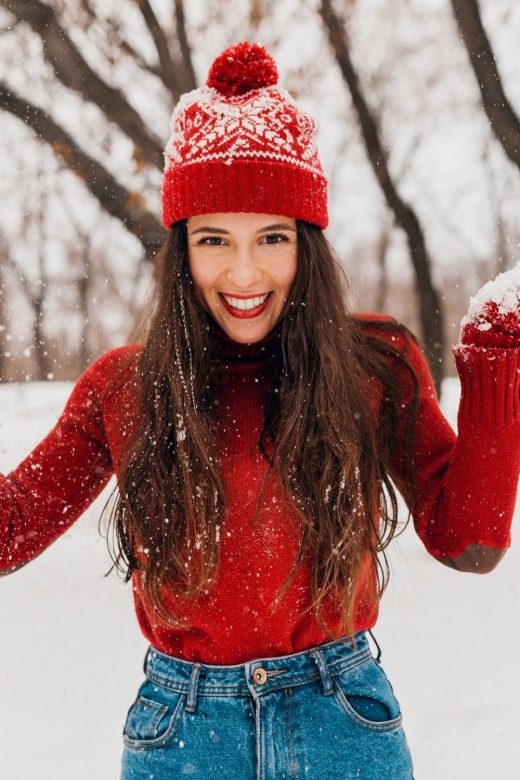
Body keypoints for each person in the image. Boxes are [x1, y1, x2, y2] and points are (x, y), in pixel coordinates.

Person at [1, 40, 519, 780]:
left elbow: (469, 542)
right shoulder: (126, 389)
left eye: (272, 238)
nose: (244, 273)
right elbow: (10, 528)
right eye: (215, 240)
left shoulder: (373, 367)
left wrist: (502, 364)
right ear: (181, 249)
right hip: (182, 732)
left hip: (342, 719)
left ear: (307, 244)